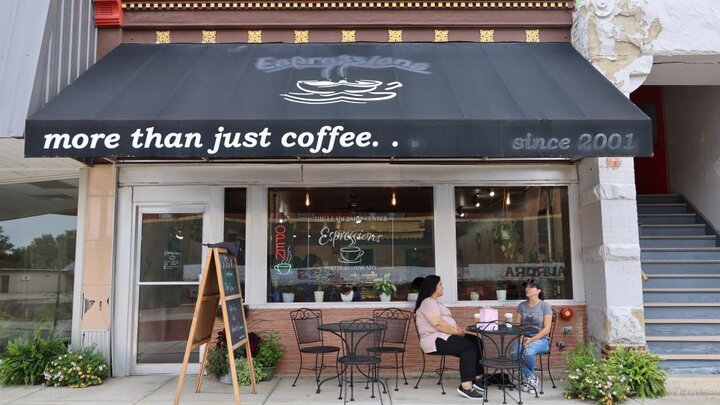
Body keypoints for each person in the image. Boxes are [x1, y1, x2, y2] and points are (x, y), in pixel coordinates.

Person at [414, 275, 484, 400]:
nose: (443, 286)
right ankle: (466, 386)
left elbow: (447, 321)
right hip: (434, 340)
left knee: (476, 341)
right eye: (440, 284)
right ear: (432, 287)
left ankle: (474, 378)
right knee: (468, 347)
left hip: (445, 336)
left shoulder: (436, 303)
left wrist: (459, 330)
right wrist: (456, 333)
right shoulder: (428, 303)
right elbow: (437, 323)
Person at [512, 278, 553, 392]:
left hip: (541, 340)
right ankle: (531, 377)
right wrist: (521, 337)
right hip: (523, 338)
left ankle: (529, 380)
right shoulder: (521, 306)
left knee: (528, 351)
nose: (527, 289)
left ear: (538, 290)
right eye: (526, 287)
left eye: (531, 287)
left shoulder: (545, 306)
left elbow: (547, 329)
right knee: (513, 352)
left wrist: (531, 339)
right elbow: (517, 326)